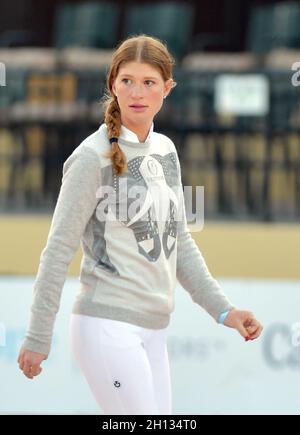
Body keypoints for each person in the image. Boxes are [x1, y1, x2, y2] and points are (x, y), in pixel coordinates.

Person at [17, 34, 263, 415]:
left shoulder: (167, 149)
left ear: (167, 88)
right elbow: (57, 251)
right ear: (112, 83)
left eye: (149, 82)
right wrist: (37, 335)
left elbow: (179, 240)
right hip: (106, 326)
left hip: (154, 329)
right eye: (127, 80)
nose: (137, 92)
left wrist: (223, 311)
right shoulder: (89, 158)